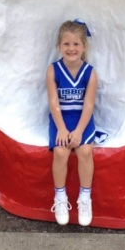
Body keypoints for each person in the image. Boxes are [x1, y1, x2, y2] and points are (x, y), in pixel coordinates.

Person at [46, 20, 97, 227]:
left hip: (82, 120)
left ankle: (85, 198)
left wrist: (78, 131)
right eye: (66, 44)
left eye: (76, 44)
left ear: (84, 47)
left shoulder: (90, 72)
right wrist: (61, 128)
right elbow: (52, 102)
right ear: (59, 46)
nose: (71, 48)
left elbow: (89, 105)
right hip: (61, 119)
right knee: (60, 152)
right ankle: (60, 197)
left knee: (84, 151)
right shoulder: (53, 70)